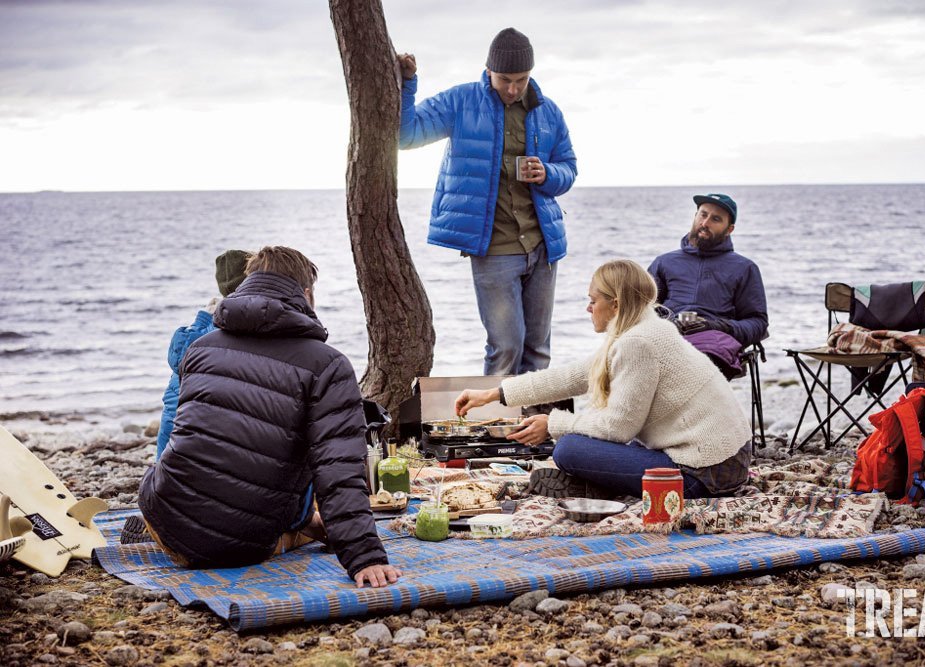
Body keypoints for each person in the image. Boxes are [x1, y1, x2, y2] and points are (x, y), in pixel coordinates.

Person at [137, 246, 401, 588]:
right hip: (240, 545)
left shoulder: (200, 348)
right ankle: (312, 525)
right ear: (306, 294)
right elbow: (338, 470)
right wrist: (365, 556)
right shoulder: (328, 364)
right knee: (295, 477)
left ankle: (306, 521)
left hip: (164, 519)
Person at [454, 259, 752, 499]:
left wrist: (553, 425)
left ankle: (592, 487)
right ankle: (594, 487)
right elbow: (573, 375)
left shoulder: (638, 343)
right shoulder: (645, 328)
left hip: (704, 474)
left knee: (569, 449)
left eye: (593, 300)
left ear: (617, 305)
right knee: (596, 445)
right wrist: (494, 394)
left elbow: (619, 427)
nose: (588, 308)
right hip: (725, 460)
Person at [397, 27, 578, 376]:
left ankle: (533, 428)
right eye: (504, 79)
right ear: (488, 70)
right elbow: (406, 136)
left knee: (538, 351)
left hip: (543, 245)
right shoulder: (461, 101)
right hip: (494, 248)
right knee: (506, 347)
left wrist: (548, 174)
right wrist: (408, 84)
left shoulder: (549, 112)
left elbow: (569, 167)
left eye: (521, 80)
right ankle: (496, 427)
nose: (512, 88)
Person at [155, 249, 249, 460]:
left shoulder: (200, 331)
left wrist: (202, 319)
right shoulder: (235, 329)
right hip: (199, 433)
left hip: (173, 427)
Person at [647, 194, 768, 347]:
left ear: (729, 229)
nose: (705, 223)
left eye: (715, 219)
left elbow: (758, 324)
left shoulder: (744, 268)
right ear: (695, 216)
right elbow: (641, 308)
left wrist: (718, 326)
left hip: (715, 347)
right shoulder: (664, 262)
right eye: (703, 215)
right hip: (665, 341)